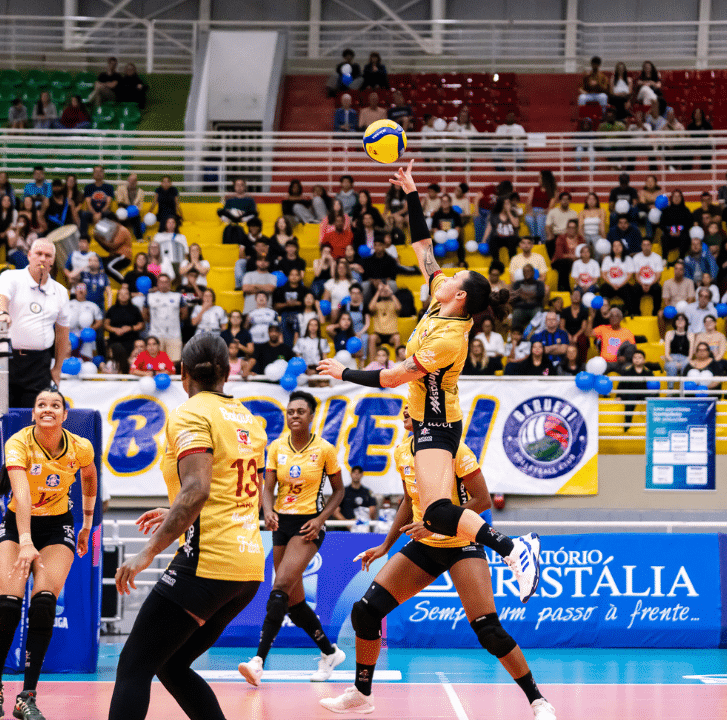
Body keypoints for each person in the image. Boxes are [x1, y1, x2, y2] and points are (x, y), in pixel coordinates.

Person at [316, 161, 541, 602]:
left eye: (455, 277)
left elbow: (391, 377)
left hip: (438, 423)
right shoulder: (441, 299)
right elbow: (423, 247)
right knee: (436, 511)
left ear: (460, 296)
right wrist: (412, 194)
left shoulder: (450, 338)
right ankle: (513, 549)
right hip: (424, 422)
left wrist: (344, 373)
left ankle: (514, 549)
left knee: (438, 509)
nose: (445, 273)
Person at [320, 406, 556, 719]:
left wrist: (432, 525)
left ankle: (539, 701)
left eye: (413, 405)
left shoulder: (455, 449)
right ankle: (362, 694)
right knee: (365, 611)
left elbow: (482, 500)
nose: (406, 410)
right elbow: (409, 500)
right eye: (404, 406)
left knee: (488, 630)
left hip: (462, 545)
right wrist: (385, 545)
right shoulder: (402, 451)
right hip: (426, 545)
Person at [108, 335, 268, 720]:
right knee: (172, 664)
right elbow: (231, 490)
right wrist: (172, 511)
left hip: (207, 564)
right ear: (227, 372)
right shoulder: (249, 420)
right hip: (248, 569)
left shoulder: (191, 413)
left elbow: (197, 489)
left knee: (133, 666)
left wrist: (148, 551)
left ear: (182, 372)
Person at [0, 389, 97, 720]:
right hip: (18, 524)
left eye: (55, 405)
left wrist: (87, 523)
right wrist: (25, 540)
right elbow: (21, 493)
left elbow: (90, 477)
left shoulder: (80, 447)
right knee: (9, 605)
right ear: (34, 413)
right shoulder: (18, 443)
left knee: (44, 604)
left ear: (64, 415)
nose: (48, 409)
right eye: (42, 405)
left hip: (57, 525)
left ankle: (27, 697)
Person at [237, 391, 346, 685]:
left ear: (311, 416)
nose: (294, 415)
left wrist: (321, 520)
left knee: (280, 587)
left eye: (300, 411)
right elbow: (268, 487)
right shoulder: (276, 447)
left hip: (308, 524)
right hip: (281, 524)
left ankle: (258, 661)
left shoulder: (324, 449)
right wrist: (268, 511)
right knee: (294, 602)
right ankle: (330, 652)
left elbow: (339, 491)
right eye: (290, 411)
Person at [0, 239, 70, 408]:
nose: (42, 259)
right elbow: (0, 296)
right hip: (5, 358)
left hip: (38, 366)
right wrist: (3, 313)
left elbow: (63, 332)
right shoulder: (11, 277)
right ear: (29, 255)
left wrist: (57, 369)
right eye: (38, 254)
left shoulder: (61, 292)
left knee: (33, 416)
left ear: (53, 261)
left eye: (48, 255)